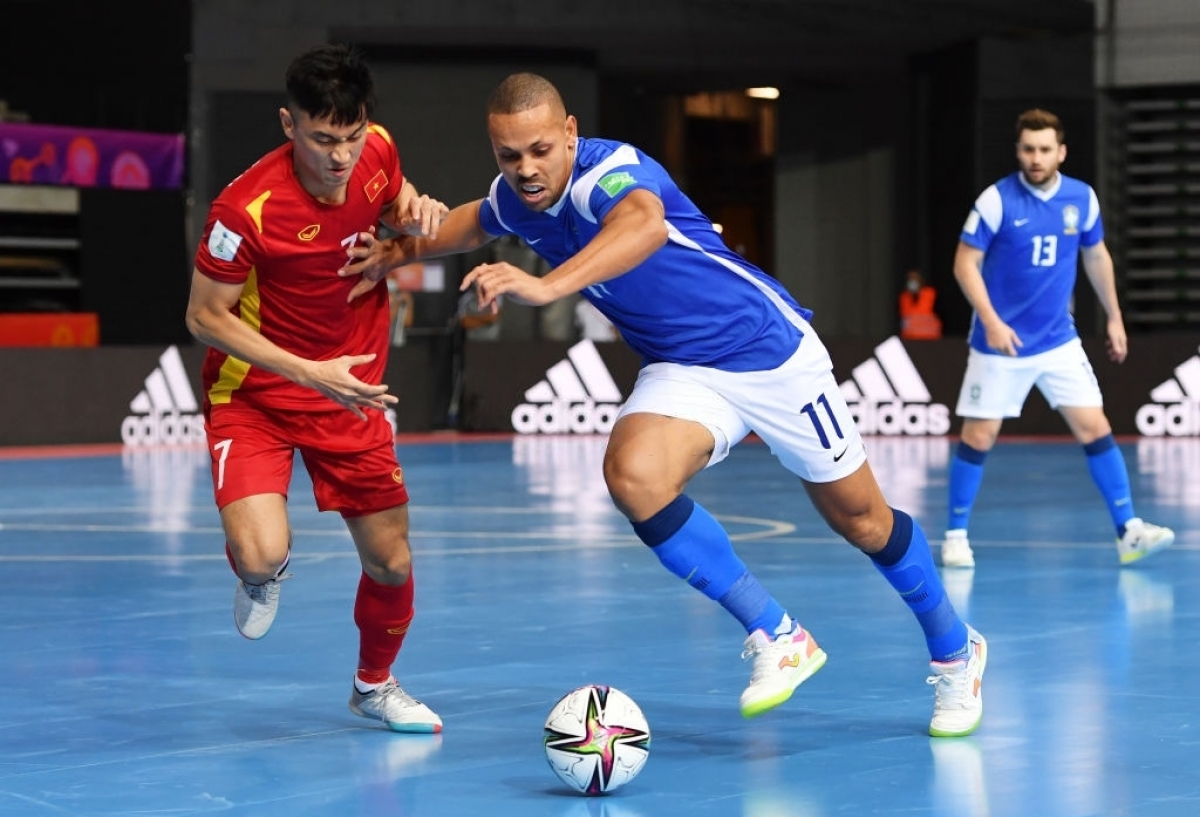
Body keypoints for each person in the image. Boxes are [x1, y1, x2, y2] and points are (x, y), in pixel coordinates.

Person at [339, 72, 987, 737]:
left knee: (863, 521)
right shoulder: (517, 198)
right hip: (683, 368)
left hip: (768, 351)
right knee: (634, 476)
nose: (526, 169)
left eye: (539, 149)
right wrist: (396, 252)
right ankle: (776, 632)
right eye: (509, 155)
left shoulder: (610, 172)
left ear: (569, 134)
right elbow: (467, 223)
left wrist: (545, 286)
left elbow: (643, 226)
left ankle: (957, 650)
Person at [184, 43, 448, 734]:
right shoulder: (242, 211)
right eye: (324, 138)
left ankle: (374, 686)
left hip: (350, 392)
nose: (341, 157)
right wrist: (308, 371)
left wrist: (406, 223)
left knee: (391, 561)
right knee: (260, 551)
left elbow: (392, 207)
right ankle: (257, 574)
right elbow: (203, 317)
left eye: (352, 137)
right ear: (287, 123)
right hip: (256, 396)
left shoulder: (378, 152)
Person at [942, 108, 1175, 569]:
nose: (1036, 157)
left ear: (1060, 152)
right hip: (1000, 342)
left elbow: (1096, 257)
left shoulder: (1081, 198)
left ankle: (1128, 531)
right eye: (1028, 148)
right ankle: (955, 535)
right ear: (1018, 151)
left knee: (1097, 427)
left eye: (1045, 149)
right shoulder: (996, 200)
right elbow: (964, 263)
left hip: (1058, 340)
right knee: (979, 435)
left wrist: (1114, 316)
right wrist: (989, 319)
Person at [898, 268, 942, 340]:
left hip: (930, 340)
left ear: (921, 280)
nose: (912, 281)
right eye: (910, 278)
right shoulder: (904, 298)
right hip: (909, 341)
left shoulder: (931, 295)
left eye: (915, 278)